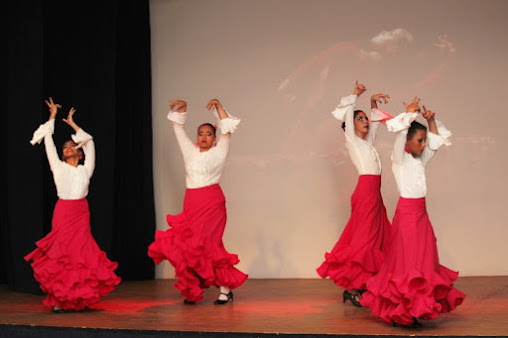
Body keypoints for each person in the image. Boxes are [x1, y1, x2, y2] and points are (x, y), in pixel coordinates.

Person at [360, 97, 465, 328]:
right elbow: (400, 136)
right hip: (407, 216)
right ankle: (401, 310)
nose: (423, 144)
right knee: (407, 265)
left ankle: (416, 307)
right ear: (408, 142)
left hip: (421, 217)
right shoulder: (399, 159)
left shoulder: (419, 159)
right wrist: (408, 115)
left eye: (423, 140)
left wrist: (432, 121)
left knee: (423, 264)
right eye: (420, 140)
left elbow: (436, 143)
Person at [148, 98, 248, 305]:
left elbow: (227, 130)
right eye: (200, 133)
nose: (203, 137)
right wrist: (182, 110)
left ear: (214, 137)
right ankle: (193, 289)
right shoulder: (190, 152)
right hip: (192, 203)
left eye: (208, 134)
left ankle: (224, 289)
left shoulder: (220, 151)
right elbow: (177, 128)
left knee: (211, 245)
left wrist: (220, 108)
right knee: (190, 247)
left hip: (212, 204)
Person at [25, 97, 121, 313]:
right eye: (66, 146)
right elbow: (48, 141)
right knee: (62, 255)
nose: (69, 147)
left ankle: (81, 297)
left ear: (78, 151)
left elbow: (91, 144)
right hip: (64, 212)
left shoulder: (85, 169)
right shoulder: (58, 167)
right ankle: (59, 297)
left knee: (80, 255)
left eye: (72, 145)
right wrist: (52, 116)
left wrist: (74, 125)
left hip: (80, 213)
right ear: (62, 154)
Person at [317, 82, 392, 306]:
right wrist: (355, 96)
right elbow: (349, 119)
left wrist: (372, 104)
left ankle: (365, 286)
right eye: (360, 119)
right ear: (350, 126)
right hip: (365, 194)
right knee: (364, 240)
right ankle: (353, 287)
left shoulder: (367, 143)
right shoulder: (352, 141)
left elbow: (375, 126)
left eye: (365, 118)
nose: (365, 121)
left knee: (376, 239)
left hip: (374, 195)